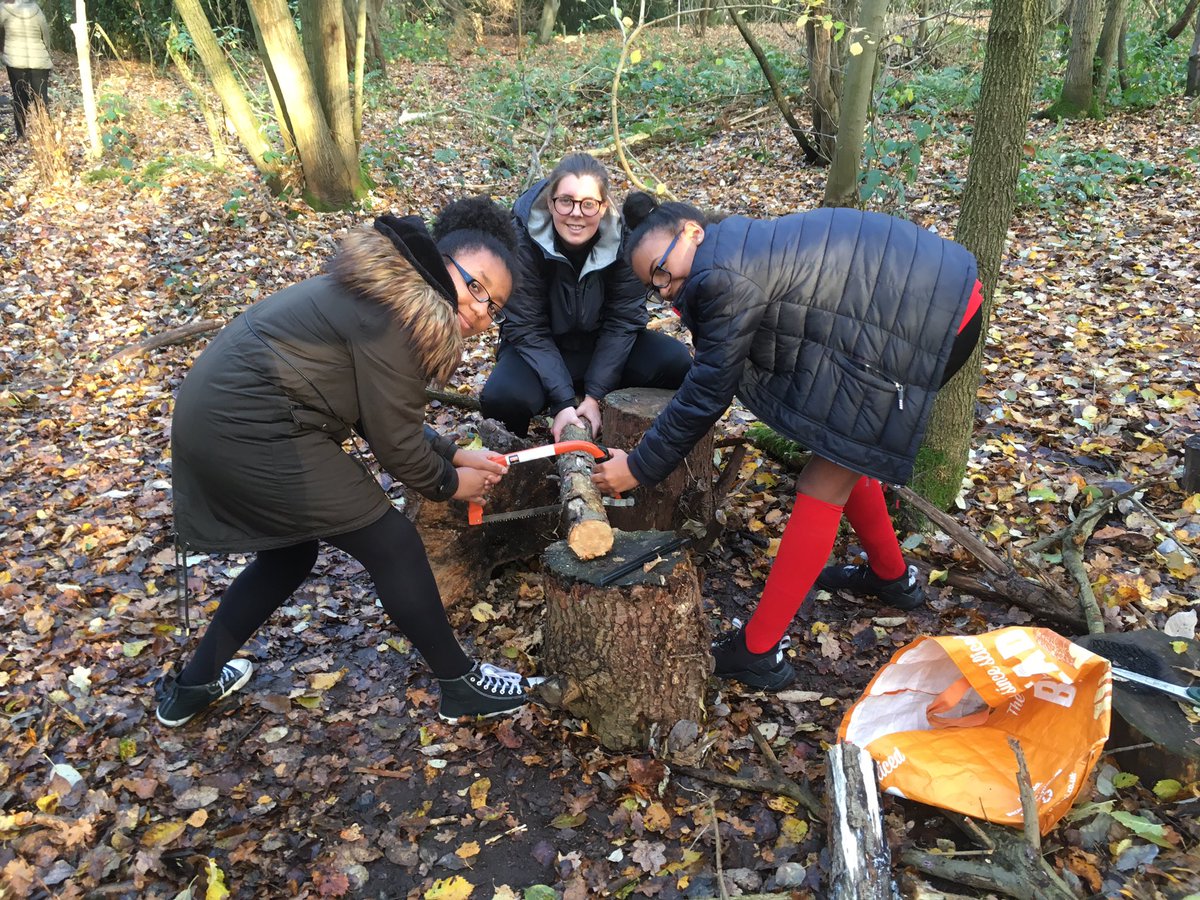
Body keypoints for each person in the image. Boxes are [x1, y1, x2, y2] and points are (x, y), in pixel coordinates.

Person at [158, 198, 531, 727]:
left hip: (221, 419)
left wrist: (452, 451)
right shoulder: (401, 317)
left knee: (289, 556)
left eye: (493, 306)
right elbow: (397, 447)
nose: (479, 312)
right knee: (393, 542)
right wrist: (451, 483)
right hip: (250, 428)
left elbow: (374, 408)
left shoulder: (389, 295)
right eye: (476, 287)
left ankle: (192, 687)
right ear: (445, 262)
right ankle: (461, 684)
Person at [592, 193, 984, 691]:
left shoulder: (720, 274)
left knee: (824, 478)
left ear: (691, 230)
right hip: (930, 301)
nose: (666, 290)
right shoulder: (731, 243)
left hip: (933, 319)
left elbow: (708, 390)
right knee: (841, 447)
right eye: (654, 283)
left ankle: (758, 651)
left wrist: (640, 466)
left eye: (663, 270)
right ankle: (892, 576)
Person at [480, 152, 693, 439]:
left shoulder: (627, 240)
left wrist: (594, 395)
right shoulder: (521, 237)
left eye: (588, 204)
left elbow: (623, 320)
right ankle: (519, 465)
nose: (576, 213)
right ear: (550, 202)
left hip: (603, 347)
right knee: (501, 397)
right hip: (540, 349)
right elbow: (527, 328)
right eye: (565, 201)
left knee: (676, 362)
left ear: (603, 207)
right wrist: (563, 402)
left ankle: (642, 448)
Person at [0, 0, 52, 139]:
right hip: (39, 60)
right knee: (41, 99)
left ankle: (21, 135)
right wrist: (46, 51)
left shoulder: (3, 9)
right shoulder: (35, 8)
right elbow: (45, 34)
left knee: (19, 98)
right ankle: (46, 135)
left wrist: (3, 51)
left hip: (15, 61)